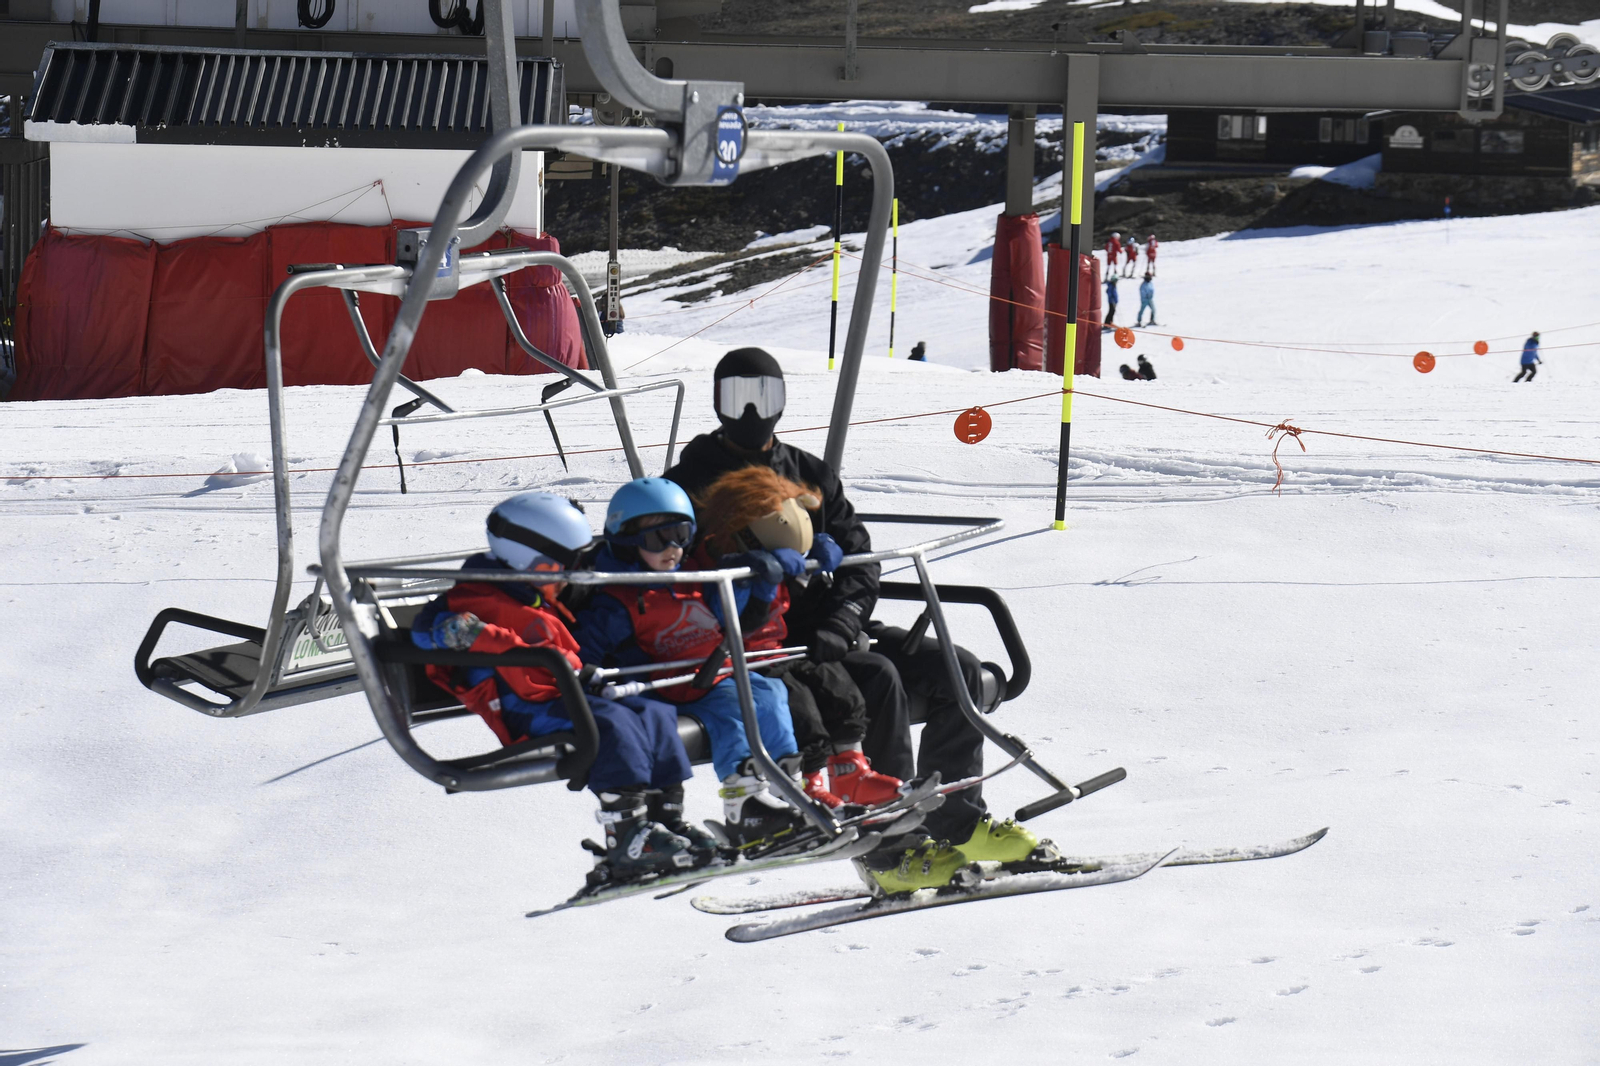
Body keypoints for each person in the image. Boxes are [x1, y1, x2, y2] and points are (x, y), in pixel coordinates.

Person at [663, 348, 1043, 893]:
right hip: (763, 637)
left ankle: (956, 823)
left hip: (826, 624)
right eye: (737, 397)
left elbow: (860, 558)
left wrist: (843, 619)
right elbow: (677, 569)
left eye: (763, 397)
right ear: (718, 402)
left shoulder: (810, 474)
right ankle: (889, 851)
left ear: (783, 402)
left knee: (953, 669)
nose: (751, 412)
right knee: (876, 677)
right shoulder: (691, 482)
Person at [411, 492, 709, 882]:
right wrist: (460, 634)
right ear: (531, 561)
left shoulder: (527, 589)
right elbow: (423, 632)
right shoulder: (474, 594)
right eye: (563, 566)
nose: (568, 575)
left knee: (653, 711)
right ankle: (627, 835)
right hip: (522, 706)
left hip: (562, 692)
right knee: (611, 725)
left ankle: (665, 817)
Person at [572, 477, 808, 850]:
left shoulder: (692, 579)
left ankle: (788, 785)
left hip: (714, 672)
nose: (671, 549)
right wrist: (588, 675)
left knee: (771, 692)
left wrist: (755, 583)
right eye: (656, 540)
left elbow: (735, 620)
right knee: (732, 711)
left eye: (681, 536)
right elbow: (587, 647)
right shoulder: (622, 599)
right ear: (628, 542)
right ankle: (743, 802)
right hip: (673, 686)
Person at [692, 465, 903, 809]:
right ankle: (809, 782)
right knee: (799, 702)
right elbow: (730, 621)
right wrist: (756, 585)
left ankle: (851, 771)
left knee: (835, 683)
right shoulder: (725, 565)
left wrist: (811, 563)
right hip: (743, 659)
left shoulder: (765, 555)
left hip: (778, 649)